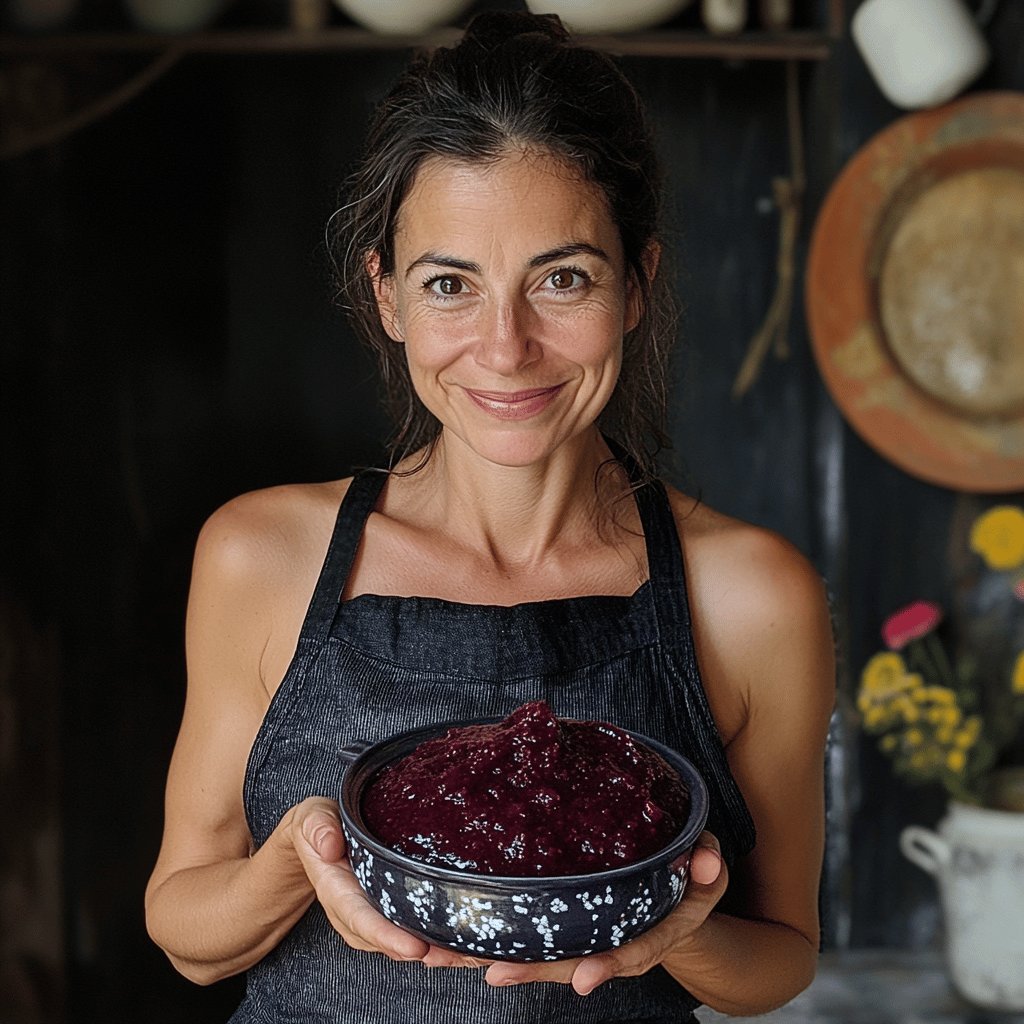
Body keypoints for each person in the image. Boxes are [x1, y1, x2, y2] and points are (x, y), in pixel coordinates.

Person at [144, 11, 835, 1024]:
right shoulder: (262, 555)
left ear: (636, 285)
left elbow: (783, 955)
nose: (504, 347)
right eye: (449, 285)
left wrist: (685, 931)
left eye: (562, 279)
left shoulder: (753, 592)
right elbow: (186, 934)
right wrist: (299, 859)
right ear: (386, 297)